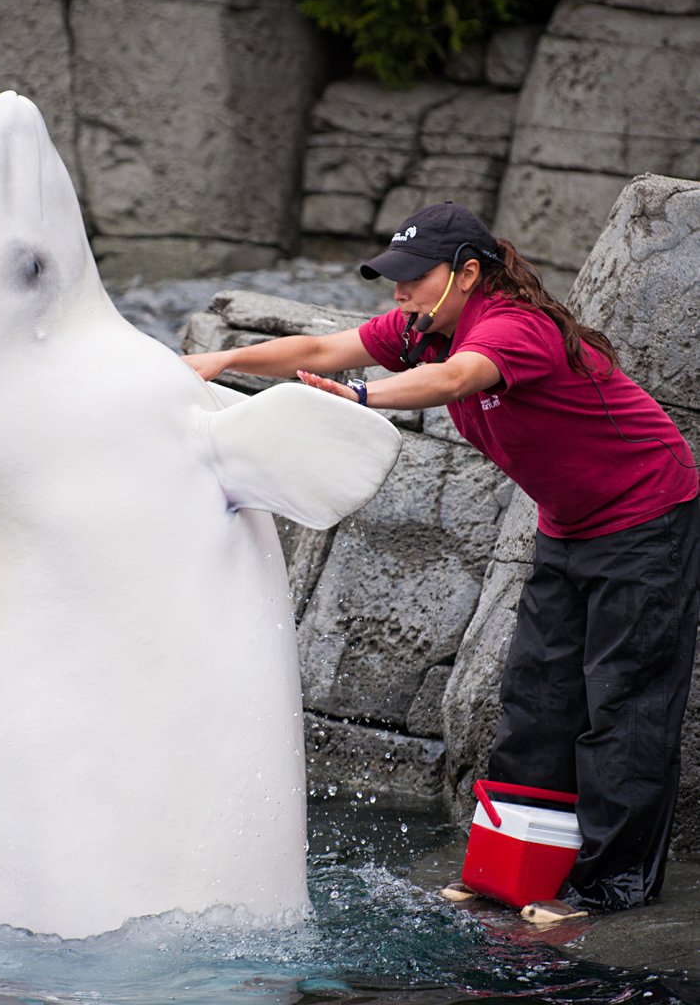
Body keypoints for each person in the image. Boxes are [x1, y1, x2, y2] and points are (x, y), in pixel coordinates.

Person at [184, 201, 700, 924]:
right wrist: (223, 359)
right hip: (569, 525)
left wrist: (363, 396)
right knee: (537, 697)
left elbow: (459, 379)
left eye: (413, 278)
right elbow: (326, 348)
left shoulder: (514, 327)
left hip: (647, 517)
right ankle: (512, 870)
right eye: (393, 280)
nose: (399, 294)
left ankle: (612, 888)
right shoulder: (422, 327)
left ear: (467, 273)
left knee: (622, 705)